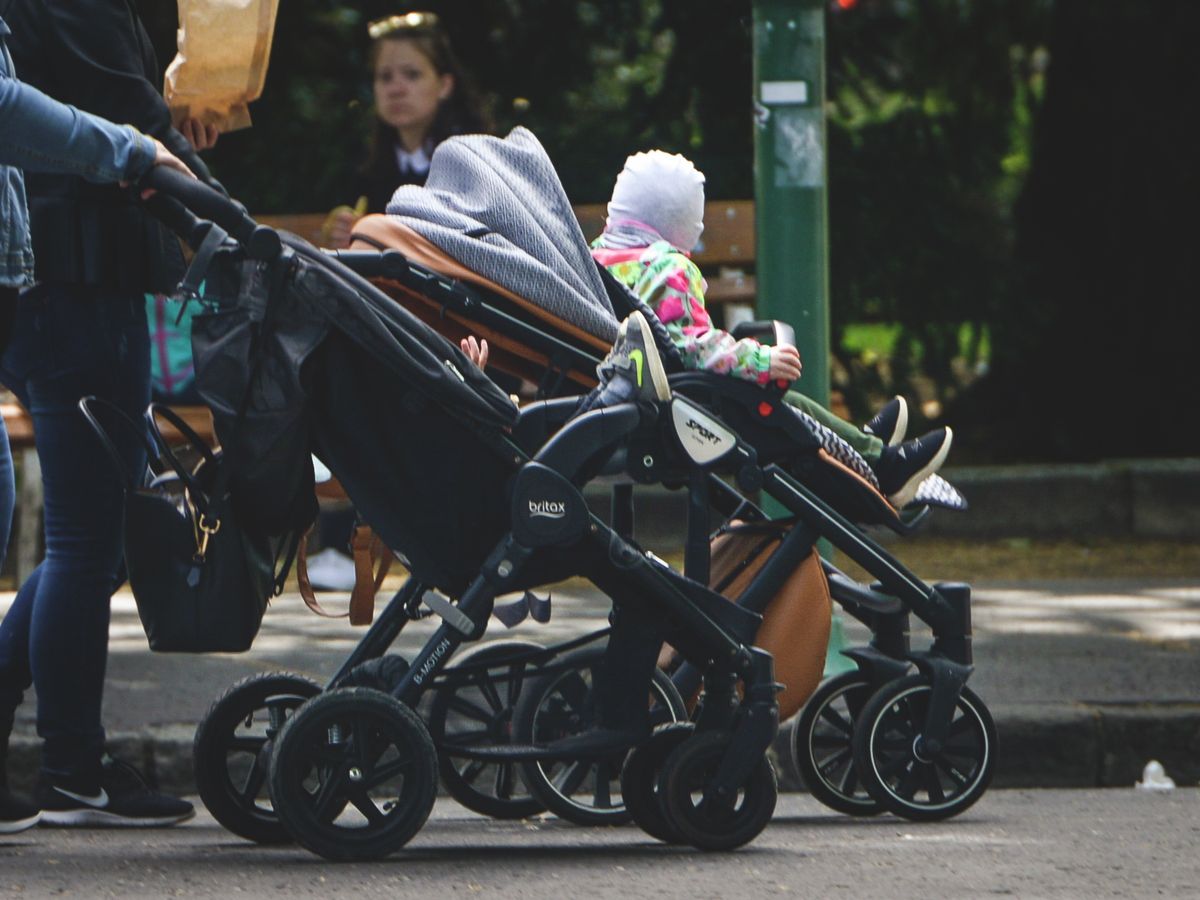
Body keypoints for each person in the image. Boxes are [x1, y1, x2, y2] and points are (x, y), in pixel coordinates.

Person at [0, 1, 216, 834]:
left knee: (86, 534)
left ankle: (63, 751)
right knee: (95, 535)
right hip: (82, 278)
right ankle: (72, 765)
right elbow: (123, 112)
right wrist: (203, 193)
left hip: (42, 277)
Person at [586, 151, 952, 509]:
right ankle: (884, 466)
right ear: (681, 222)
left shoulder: (598, 261)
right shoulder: (666, 268)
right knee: (786, 409)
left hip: (635, 403)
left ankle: (861, 444)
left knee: (785, 412)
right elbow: (693, 345)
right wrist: (760, 359)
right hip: (692, 407)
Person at [324, 10, 491, 248]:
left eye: (412, 75)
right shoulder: (366, 168)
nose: (395, 89)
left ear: (444, 85)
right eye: (385, 77)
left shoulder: (470, 165)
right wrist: (345, 231)